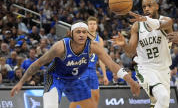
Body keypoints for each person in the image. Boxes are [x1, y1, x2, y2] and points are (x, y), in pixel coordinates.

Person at [10, 21, 140, 108]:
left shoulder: (93, 46)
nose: (82, 34)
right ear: (70, 34)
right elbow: (37, 64)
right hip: (55, 78)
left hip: (74, 80)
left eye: (84, 32)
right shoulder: (60, 47)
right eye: (78, 32)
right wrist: (21, 82)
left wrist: (131, 81)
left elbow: (112, 65)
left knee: (91, 106)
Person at [112, 0, 173, 108]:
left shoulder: (167, 20)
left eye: (149, 5)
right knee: (163, 97)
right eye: (144, 6)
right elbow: (130, 53)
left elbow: (160, 25)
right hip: (146, 69)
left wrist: (146, 20)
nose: (146, 8)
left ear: (157, 6)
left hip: (164, 70)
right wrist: (124, 44)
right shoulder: (137, 26)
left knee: (161, 104)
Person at [69, 16, 109, 108]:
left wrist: (105, 75)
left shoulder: (100, 40)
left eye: (94, 24)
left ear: (97, 26)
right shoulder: (82, 37)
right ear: (87, 26)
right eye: (90, 24)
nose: (92, 26)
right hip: (82, 71)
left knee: (95, 98)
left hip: (93, 72)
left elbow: (101, 59)